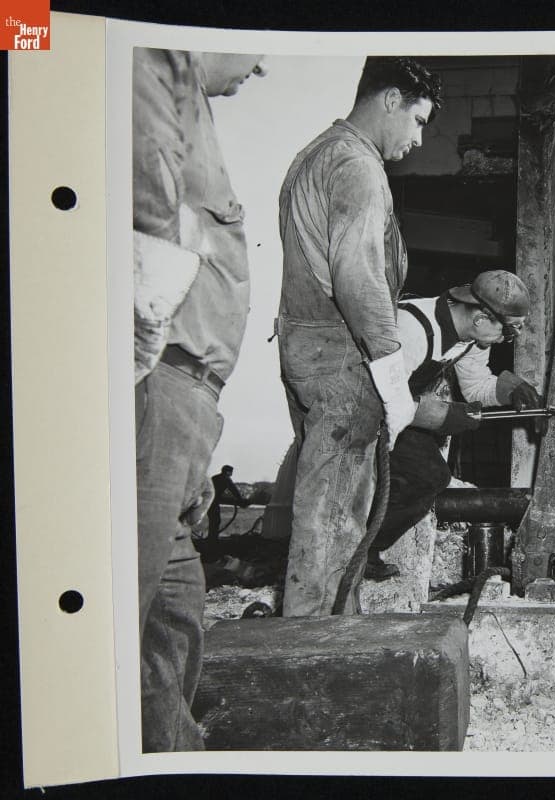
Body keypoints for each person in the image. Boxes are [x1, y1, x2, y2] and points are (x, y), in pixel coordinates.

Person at [133, 49, 266, 751]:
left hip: (190, 395)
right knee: (126, 606)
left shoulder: (190, 102)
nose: (264, 61)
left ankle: (171, 760)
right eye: (252, 37)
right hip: (166, 377)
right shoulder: (149, 60)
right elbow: (145, 187)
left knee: (176, 603)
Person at [277, 57, 443, 616]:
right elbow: (359, 272)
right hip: (342, 357)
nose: (418, 139)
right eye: (419, 120)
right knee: (336, 516)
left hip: (306, 345)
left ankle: (330, 632)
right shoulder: (357, 165)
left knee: (328, 504)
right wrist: (392, 373)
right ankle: (315, 651)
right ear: (391, 99)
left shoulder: (316, 153)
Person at [366, 270, 546, 580]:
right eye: (508, 330)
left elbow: (475, 385)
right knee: (419, 475)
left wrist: (511, 389)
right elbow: (384, 401)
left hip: (402, 408)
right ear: (480, 318)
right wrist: (447, 417)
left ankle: (369, 546)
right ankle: (358, 548)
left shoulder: (468, 339)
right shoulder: (412, 329)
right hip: (368, 410)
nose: (507, 339)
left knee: (431, 475)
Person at [205, 465, 250, 550]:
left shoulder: (214, 477)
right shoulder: (226, 479)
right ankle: (212, 543)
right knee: (215, 521)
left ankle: (211, 539)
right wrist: (241, 501)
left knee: (213, 521)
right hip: (213, 502)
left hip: (209, 501)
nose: (232, 474)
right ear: (228, 472)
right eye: (231, 472)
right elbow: (234, 491)